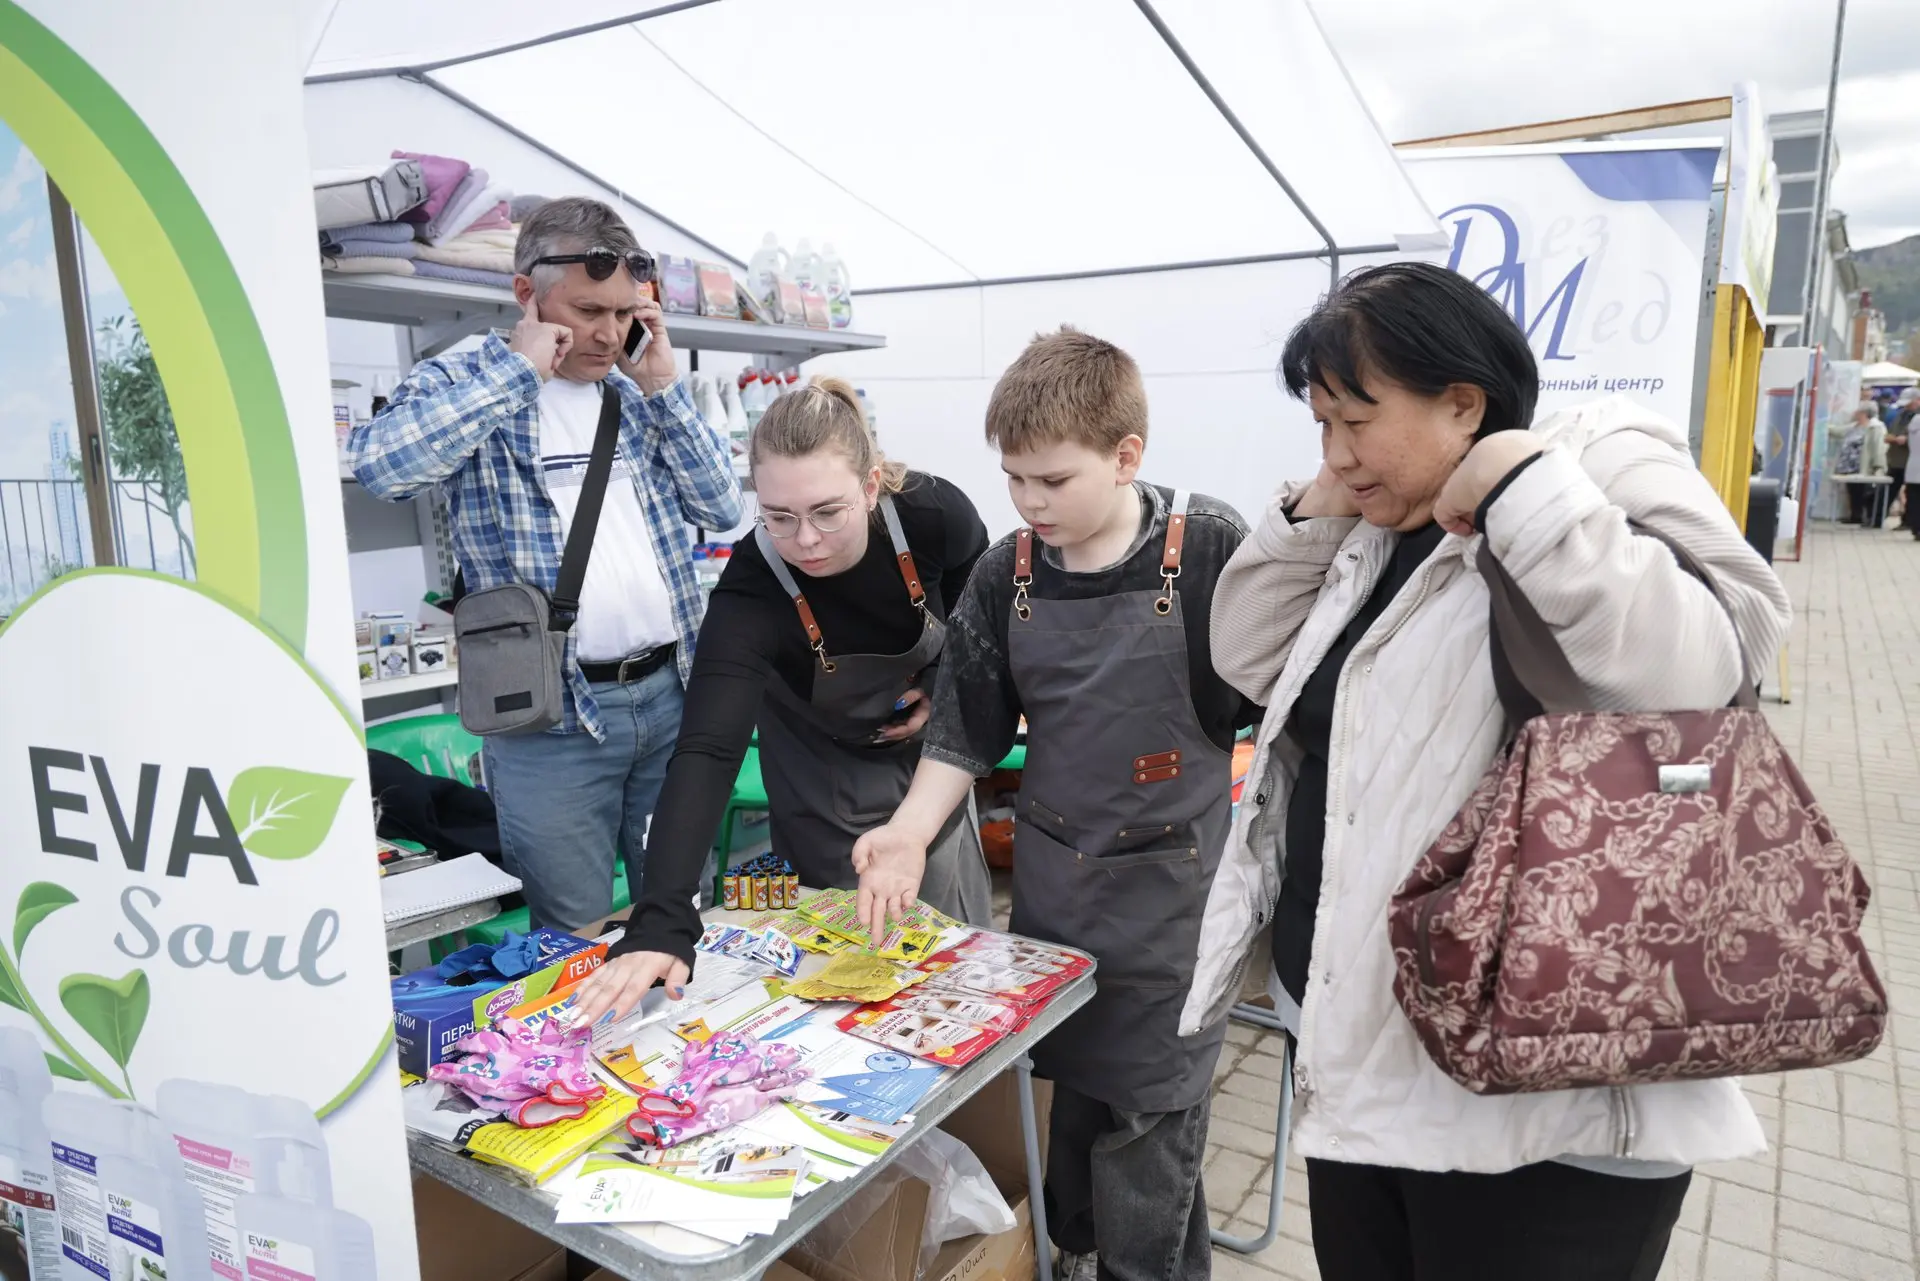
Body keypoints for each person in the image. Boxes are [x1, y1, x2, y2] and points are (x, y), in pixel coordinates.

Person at [1178, 262, 1793, 1281]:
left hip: (1544, 1081)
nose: (1336, 451)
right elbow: (1244, 655)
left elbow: (1704, 667)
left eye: (1356, 420)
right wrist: (1320, 505)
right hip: (1359, 1043)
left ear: (1463, 402)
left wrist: (1517, 484)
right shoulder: (1372, 528)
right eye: (1320, 423)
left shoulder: (1598, 462)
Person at [854, 327, 1257, 1281]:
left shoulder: (1208, 546)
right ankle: (1074, 1252)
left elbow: (1271, 699)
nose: (1030, 502)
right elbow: (964, 728)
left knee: (1153, 1116)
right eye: (1014, 479)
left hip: (1176, 902)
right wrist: (907, 833)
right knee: (1071, 1094)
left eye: (1053, 480)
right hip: (1057, 891)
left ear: (1126, 456)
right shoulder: (1009, 572)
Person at [348, 197, 741, 931]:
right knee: (570, 938)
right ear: (526, 292)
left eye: (624, 312)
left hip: (668, 697)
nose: (609, 333)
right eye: (588, 310)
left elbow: (722, 507)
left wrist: (664, 388)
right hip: (548, 722)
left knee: (680, 915)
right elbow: (382, 467)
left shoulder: (636, 390)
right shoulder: (466, 380)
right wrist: (516, 374)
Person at [570, 377, 994, 1019]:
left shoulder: (933, 515)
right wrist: (661, 917)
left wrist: (940, 686)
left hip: (930, 752)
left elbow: (978, 622)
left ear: (870, 486)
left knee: (953, 941)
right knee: (851, 957)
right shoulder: (752, 589)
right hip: (820, 768)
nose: (806, 541)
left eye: (828, 512)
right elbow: (707, 750)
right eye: (779, 517)